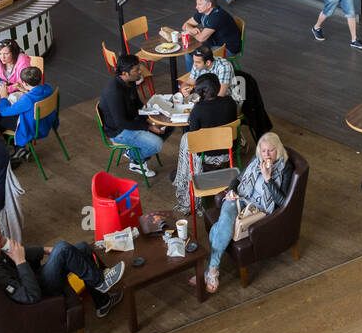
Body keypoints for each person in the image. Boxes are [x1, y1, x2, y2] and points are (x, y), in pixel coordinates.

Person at [199, 132, 293, 294]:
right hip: (239, 198)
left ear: (278, 150)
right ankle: (213, 269)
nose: (266, 155)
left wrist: (268, 179)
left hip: (258, 208)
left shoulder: (285, 168)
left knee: (221, 228)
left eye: (271, 151)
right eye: (263, 151)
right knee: (227, 221)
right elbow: (238, 179)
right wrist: (232, 190)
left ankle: (209, 269)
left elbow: (282, 202)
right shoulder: (256, 160)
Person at [0, 224, 125, 318]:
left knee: (80, 247)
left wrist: (47, 250)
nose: (4, 241)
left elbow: (19, 251)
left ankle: (102, 303)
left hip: (31, 277)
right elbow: (30, 296)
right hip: (36, 291)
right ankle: (100, 282)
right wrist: (20, 261)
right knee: (63, 249)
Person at [172, 74, 239, 213]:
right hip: (229, 150)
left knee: (187, 138)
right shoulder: (230, 102)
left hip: (206, 154)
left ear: (200, 92)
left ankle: (188, 174)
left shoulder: (198, 110)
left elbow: (195, 138)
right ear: (219, 87)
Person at [100, 53, 170, 177]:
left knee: (169, 123)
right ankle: (134, 158)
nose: (140, 72)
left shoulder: (131, 81)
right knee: (157, 144)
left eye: (139, 68)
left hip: (132, 120)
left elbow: (137, 103)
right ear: (125, 73)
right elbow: (121, 123)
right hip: (119, 131)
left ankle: (140, 150)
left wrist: (150, 119)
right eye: (136, 70)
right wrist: (148, 126)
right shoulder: (114, 92)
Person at [0, 65, 57, 156]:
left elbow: (4, 111)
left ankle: (18, 148)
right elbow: (36, 96)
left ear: (24, 82)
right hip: (46, 122)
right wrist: (25, 90)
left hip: (32, 128)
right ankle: (19, 148)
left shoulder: (27, 100)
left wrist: (3, 97)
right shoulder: (48, 88)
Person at [181, 0, 242, 65]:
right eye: (197, 4)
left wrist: (191, 32)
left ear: (209, 5)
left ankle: (195, 76)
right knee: (189, 51)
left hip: (228, 48)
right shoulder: (202, 11)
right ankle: (194, 75)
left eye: (199, 4)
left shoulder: (217, 16)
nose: (196, 7)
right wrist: (192, 29)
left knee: (195, 55)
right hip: (214, 42)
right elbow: (184, 25)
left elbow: (201, 38)